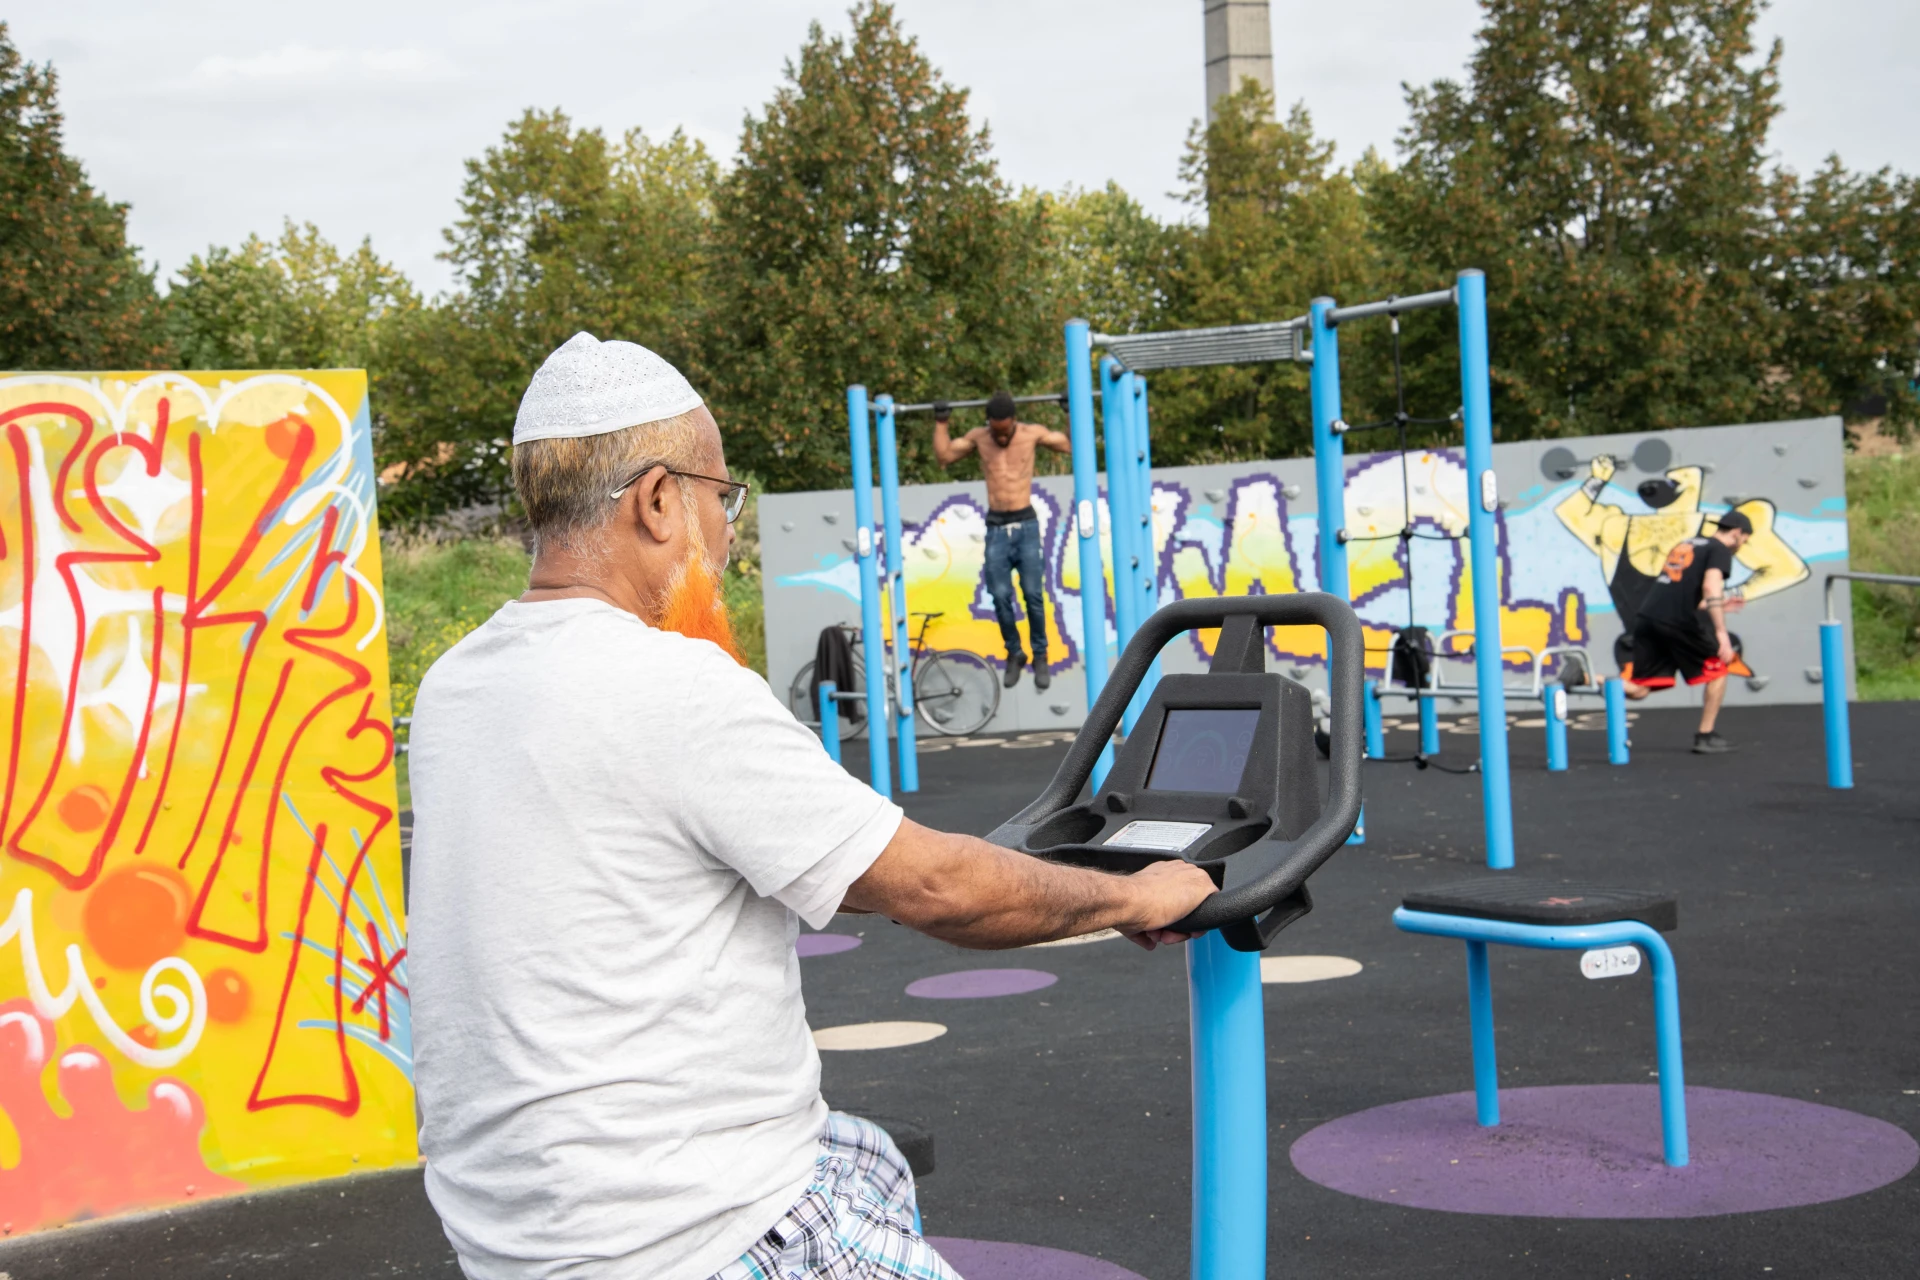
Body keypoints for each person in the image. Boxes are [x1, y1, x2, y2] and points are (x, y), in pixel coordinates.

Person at [406, 334, 1216, 1280]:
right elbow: (941, 889)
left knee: (866, 1157)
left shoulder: (454, 686)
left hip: (516, 1232)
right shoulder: (672, 685)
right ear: (658, 501)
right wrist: (1136, 896)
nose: (728, 533)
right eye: (721, 499)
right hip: (680, 1234)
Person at [931, 389, 1072, 690]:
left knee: (1033, 594)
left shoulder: (1031, 434)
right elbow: (944, 456)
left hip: (1026, 524)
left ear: (1013, 422)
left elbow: (1070, 445)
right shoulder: (980, 437)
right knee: (998, 595)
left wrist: (1069, 412)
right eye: (996, 431)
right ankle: (1014, 652)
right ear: (989, 424)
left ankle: (1041, 654)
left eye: (1005, 431)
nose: (1001, 437)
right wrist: (941, 421)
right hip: (996, 526)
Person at [1620, 509, 1753, 753]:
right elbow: (1711, 587)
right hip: (1676, 621)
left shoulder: (1689, 543)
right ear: (1736, 533)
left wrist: (1720, 604)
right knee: (1719, 668)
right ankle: (1705, 736)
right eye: (1745, 540)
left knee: (1639, 689)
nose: (1742, 546)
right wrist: (1722, 634)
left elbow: (1683, 592)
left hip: (1648, 618)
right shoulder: (1719, 550)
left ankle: (1585, 678)